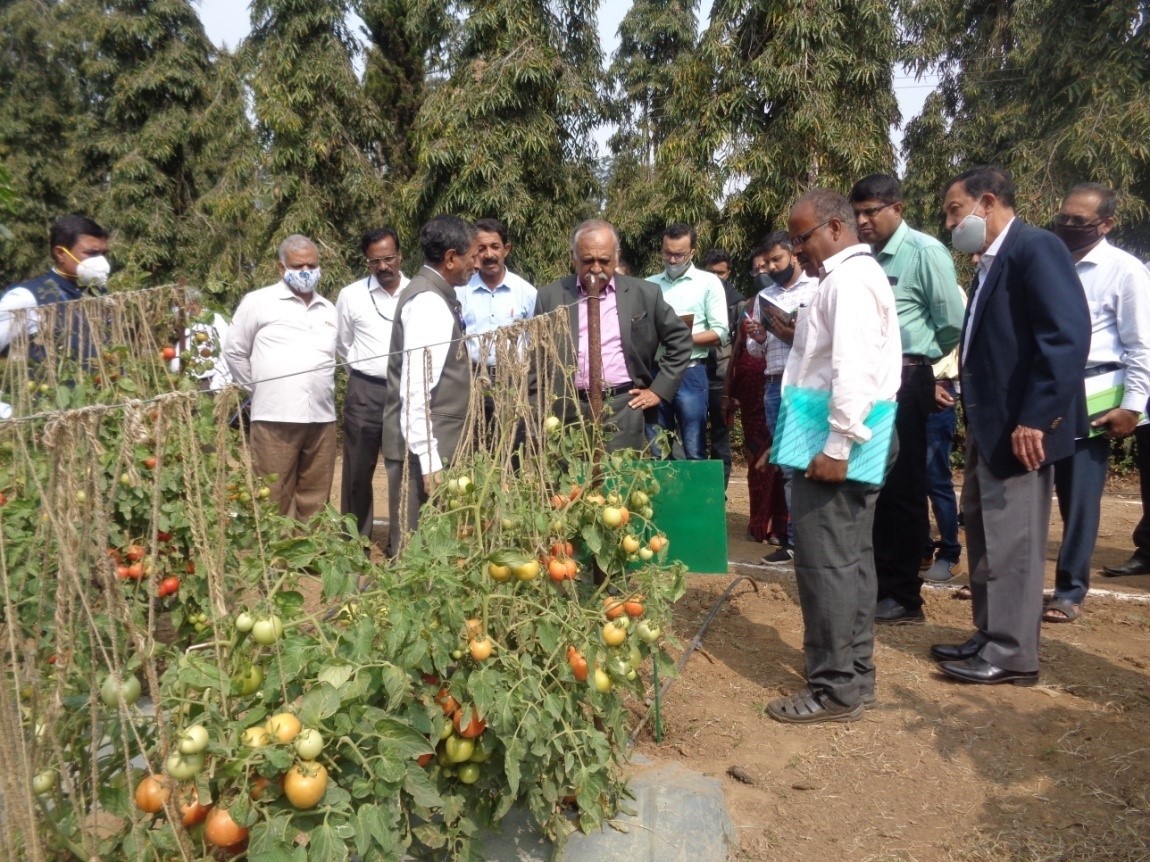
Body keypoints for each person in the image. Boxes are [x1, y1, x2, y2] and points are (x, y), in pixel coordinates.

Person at [930, 166, 1090, 686]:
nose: (952, 223)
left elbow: (1064, 338)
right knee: (983, 532)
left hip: (1022, 429)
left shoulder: (1035, 249)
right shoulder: (990, 263)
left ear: (988, 201)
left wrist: (1036, 418)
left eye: (956, 210)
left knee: (1013, 541)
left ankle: (1014, 653)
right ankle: (990, 633)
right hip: (990, 424)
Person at [764, 190, 901, 725]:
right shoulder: (846, 280)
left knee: (825, 566)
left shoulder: (848, 281)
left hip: (838, 439)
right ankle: (855, 673)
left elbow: (854, 369)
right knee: (852, 561)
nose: (798, 251)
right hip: (839, 431)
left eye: (804, 237)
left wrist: (838, 445)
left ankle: (833, 688)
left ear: (837, 227)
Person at [849, 174, 966, 625]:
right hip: (869, 381)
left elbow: (953, 321)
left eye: (871, 211)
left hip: (906, 376)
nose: (862, 220)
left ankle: (903, 596)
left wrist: (918, 363)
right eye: (857, 212)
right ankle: (879, 583)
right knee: (871, 484)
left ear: (896, 208)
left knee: (902, 489)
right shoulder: (862, 259)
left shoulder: (924, 251)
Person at [1043, 184, 1150, 622]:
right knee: (1030, 490)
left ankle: (1070, 591)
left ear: (1105, 225)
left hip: (1094, 393)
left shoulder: (1124, 271)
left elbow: (1141, 345)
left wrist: (1133, 404)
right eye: (1063, 218)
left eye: (1079, 222)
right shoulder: (1045, 262)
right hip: (1043, 389)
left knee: (1079, 497)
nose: (1068, 227)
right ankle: (1024, 581)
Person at [535, 219, 692, 452]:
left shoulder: (644, 294)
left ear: (616, 258)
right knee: (568, 484)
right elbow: (537, 356)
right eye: (588, 261)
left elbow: (681, 339)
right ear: (573, 258)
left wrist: (659, 389)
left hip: (622, 406)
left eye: (604, 261)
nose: (596, 269)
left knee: (619, 480)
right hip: (568, 408)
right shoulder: (551, 296)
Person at [381, 215, 477, 557]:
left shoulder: (434, 295)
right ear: (451, 258)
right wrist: (430, 461)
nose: (476, 263)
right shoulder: (429, 304)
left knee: (428, 548)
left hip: (429, 444)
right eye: (472, 255)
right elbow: (416, 388)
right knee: (416, 553)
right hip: (423, 449)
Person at [224, 235, 339, 522]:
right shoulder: (259, 302)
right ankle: (275, 560)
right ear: (281, 267)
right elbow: (235, 352)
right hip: (275, 416)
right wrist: (261, 389)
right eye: (298, 265)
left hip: (322, 417)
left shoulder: (328, 308)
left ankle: (308, 557)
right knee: (273, 491)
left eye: (312, 265)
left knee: (316, 493)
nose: (306, 272)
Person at [743, 230, 820, 563]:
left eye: (778, 259)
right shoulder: (764, 298)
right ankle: (794, 542)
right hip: (774, 384)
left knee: (812, 463)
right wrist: (759, 336)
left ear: (793, 255)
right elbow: (755, 352)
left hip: (808, 384)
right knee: (788, 466)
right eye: (767, 262)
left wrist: (792, 330)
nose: (772, 267)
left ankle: (816, 540)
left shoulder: (817, 288)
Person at [334, 227, 410, 545]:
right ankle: (354, 544)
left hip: (406, 392)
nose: (383, 267)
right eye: (374, 261)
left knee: (403, 472)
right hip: (364, 391)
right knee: (357, 472)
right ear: (367, 262)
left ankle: (402, 545)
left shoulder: (417, 293)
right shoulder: (350, 295)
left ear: (400, 256)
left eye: (388, 258)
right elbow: (342, 343)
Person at [646, 224, 729, 459]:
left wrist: (680, 338)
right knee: (657, 447)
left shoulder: (708, 283)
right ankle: (665, 495)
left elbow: (720, 332)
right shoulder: (648, 284)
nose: (672, 260)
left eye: (679, 254)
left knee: (694, 447)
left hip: (690, 373)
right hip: (657, 372)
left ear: (692, 252)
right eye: (667, 253)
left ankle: (695, 496)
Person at [724, 242, 787, 543]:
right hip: (753, 394)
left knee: (783, 459)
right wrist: (729, 390)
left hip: (781, 385)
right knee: (758, 461)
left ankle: (784, 527)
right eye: (758, 268)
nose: (764, 272)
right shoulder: (753, 304)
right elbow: (740, 348)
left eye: (770, 264)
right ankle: (759, 522)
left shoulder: (807, 293)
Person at [0, 214, 111, 357]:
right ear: (60, 253)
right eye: (91, 253)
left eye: (103, 253)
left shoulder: (98, 292)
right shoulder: (26, 297)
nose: (100, 260)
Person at [456, 218, 536, 371]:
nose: (489, 254)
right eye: (481, 248)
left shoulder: (527, 293)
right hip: (472, 378)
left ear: (506, 250)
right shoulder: (460, 292)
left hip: (515, 380)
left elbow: (535, 340)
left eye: (495, 247)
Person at [702, 248, 746, 487]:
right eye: (712, 273)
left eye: (722, 273)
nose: (717, 278)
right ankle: (698, 493)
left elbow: (742, 348)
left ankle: (720, 493)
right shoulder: (697, 294)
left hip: (722, 380)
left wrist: (735, 387)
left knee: (720, 438)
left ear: (729, 273)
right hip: (697, 374)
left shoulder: (737, 303)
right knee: (693, 438)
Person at [921, 339, 963, 582]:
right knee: (909, 480)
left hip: (938, 388)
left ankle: (950, 555)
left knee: (936, 480)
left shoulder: (950, 299)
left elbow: (953, 329)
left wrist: (927, 381)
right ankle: (922, 549)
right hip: (907, 388)